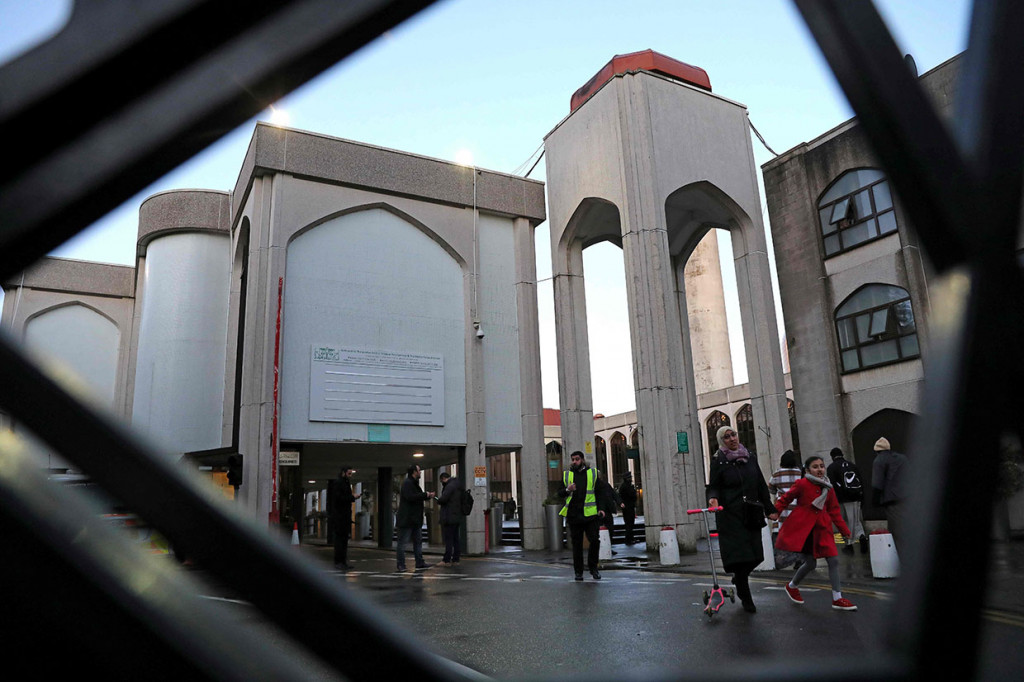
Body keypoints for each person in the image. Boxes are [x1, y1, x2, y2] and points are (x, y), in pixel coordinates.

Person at [706, 426, 778, 613]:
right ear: (722, 441)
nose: (731, 439)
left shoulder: (749, 456)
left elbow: (760, 484)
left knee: (757, 556)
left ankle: (739, 579)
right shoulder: (719, 460)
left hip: (752, 512)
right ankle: (746, 597)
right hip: (731, 515)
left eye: (733, 434)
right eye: (726, 437)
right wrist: (713, 498)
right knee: (741, 558)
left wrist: (769, 509)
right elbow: (713, 486)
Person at [774, 455, 857, 611]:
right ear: (807, 470)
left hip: (824, 529)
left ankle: (837, 598)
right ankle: (792, 586)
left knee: (833, 561)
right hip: (806, 530)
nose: (819, 469)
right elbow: (785, 498)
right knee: (811, 563)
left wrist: (845, 531)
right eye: (815, 467)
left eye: (821, 466)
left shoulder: (828, 487)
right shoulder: (802, 484)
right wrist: (775, 512)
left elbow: (834, 511)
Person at [560, 451, 609, 581]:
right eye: (572, 459)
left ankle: (593, 568)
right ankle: (578, 572)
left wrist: (602, 508)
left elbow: (601, 492)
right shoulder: (567, 475)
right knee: (576, 545)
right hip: (574, 515)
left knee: (594, 540)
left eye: (576, 459)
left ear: (582, 460)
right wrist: (567, 489)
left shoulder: (592, 474)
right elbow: (559, 493)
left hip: (590, 515)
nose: (574, 462)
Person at [827, 447, 867, 554]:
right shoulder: (852, 465)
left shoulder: (832, 468)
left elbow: (832, 485)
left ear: (832, 456)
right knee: (856, 520)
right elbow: (861, 481)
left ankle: (849, 544)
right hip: (856, 496)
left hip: (843, 499)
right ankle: (862, 536)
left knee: (845, 521)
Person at [396, 464, 435, 571]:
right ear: (414, 472)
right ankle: (401, 564)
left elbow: (416, 497)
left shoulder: (413, 483)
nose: (420, 472)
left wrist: (426, 496)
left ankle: (419, 562)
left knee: (418, 542)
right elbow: (410, 497)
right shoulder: (408, 483)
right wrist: (425, 495)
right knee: (402, 543)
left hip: (414, 519)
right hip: (407, 519)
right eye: (419, 470)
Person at [871, 436, 907, 551]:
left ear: (877, 451)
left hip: (892, 502)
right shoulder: (902, 458)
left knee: (897, 533)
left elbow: (877, 483)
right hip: (907, 499)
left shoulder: (879, 460)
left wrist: (875, 502)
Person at [327, 466, 360, 569]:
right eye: (349, 473)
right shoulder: (339, 483)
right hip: (340, 516)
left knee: (344, 540)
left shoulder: (345, 483)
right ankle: (338, 562)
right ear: (343, 473)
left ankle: (343, 561)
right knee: (340, 540)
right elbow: (339, 499)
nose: (350, 476)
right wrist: (352, 497)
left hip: (344, 516)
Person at [768, 450, 802, 540]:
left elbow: (770, 488)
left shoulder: (777, 473)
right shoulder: (800, 473)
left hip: (781, 510)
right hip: (797, 509)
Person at [436, 471, 464, 566]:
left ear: (444, 478)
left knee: (448, 539)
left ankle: (446, 560)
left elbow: (443, 499)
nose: (442, 483)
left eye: (441, 481)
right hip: (456, 516)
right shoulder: (457, 485)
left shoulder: (449, 486)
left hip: (449, 516)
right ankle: (456, 559)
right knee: (456, 538)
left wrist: (438, 500)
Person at [597, 470, 624, 548]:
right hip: (600, 510)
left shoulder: (606, 485)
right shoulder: (596, 486)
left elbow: (613, 494)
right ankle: (604, 547)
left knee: (610, 529)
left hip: (607, 510)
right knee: (604, 529)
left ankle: (608, 546)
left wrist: (619, 502)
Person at [619, 471, 639, 545]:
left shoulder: (625, 486)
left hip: (628, 507)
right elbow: (632, 495)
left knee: (630, 523)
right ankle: (628, 539)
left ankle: (631, 538)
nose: (631, 479)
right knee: (629, 524)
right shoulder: (626, 486)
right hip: (628, 507)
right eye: (630, 477)